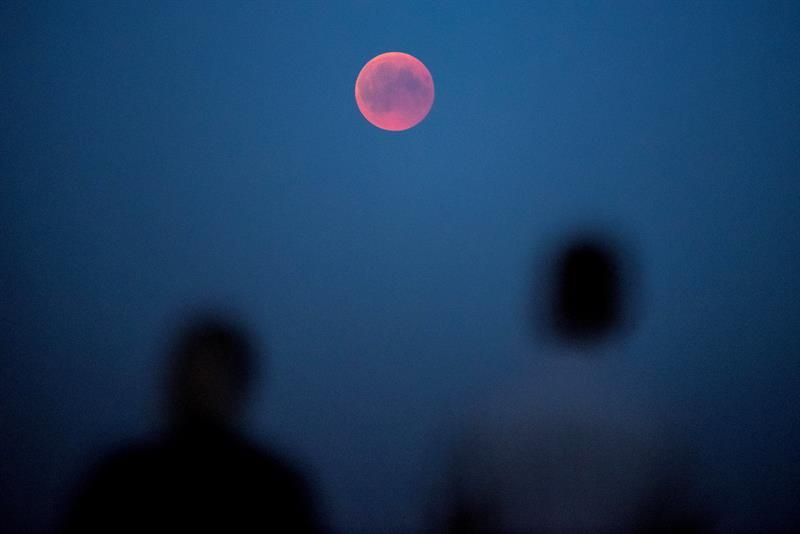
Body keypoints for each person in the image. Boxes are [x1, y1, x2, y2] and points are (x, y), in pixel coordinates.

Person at [438, 233, 709, 532]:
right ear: (618, 304)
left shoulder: (489, 414)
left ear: (550, 300)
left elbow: (457, 517)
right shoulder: (661, 421)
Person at [64, 314, 320, 532]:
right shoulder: (119, 479)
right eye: (193, 374)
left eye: (214, 376)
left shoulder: (277, 488)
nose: (201, 384)